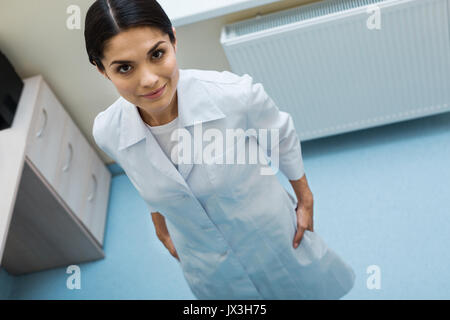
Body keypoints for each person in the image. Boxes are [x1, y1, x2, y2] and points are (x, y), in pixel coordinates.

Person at [84, 0, 355, 299]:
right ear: (101, 70)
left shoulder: (234, 95)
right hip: (204, 260)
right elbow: (140, 174)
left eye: (157, 54)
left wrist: (305, 198)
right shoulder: (108, 131)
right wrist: (160, 224)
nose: (148, 80)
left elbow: (281, 137)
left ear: (174, 40)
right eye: (124, 68)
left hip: (271, 233)